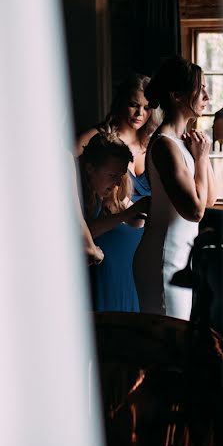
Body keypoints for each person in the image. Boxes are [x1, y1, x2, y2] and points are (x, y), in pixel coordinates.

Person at [132, 56, 217, 319]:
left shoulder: (185, 142)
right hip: (163, 258)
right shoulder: (165, 145)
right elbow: (194, 211)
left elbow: (209, 200)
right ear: (177, 95)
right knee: (167, 347)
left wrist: (202, 155)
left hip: (182, 256)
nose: (206, 93)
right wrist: (201, 159)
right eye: (199, 87)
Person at [78, 133, 150, 312]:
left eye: (121, 174)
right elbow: (82, 233)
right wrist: (128, 214)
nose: (117, 182)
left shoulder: (114, 190)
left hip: (130, 281)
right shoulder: (77, 194)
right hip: (102, 285)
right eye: (111, 174)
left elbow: (135, 219)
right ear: (90, 168)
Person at [75, 73, 159, 204]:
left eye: (147, 108)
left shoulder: (154, 143)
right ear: (121, 102)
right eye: (133, 105)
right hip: (111, 222)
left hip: (152, 222)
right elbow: (64, 158)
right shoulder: (101, 135)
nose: (140, 113)